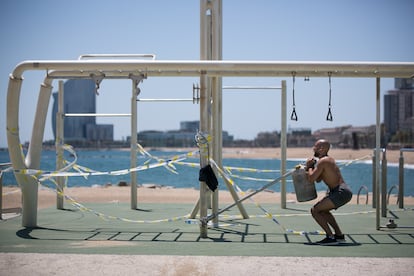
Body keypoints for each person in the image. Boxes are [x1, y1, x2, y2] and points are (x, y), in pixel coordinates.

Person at [305, 139, 352, 245]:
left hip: (340, 192)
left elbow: (311, 179)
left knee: (315, 210)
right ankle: (339, 236)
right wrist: (313, 167)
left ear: (321, 149)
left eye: (315, 146)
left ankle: (330, 237)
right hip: (343, 192)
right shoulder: (328, 160)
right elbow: (318, 179)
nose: (313, 148)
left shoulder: (323, 161)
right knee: (324, 211)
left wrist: (309, 166)